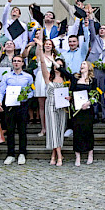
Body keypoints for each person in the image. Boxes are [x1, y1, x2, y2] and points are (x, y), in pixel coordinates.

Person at [34, 38, 68, 167]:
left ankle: (53, 154)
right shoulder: (48, 76)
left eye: (59, 65)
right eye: (55, 64)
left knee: (59, 130)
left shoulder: (66, 79)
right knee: (52, 129)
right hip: (51, 105)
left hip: (62, 106)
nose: (57, 67)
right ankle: (59, 156)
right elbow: (42, 62)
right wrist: (40, 47)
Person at [0, 54, 33, 165]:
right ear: (12, 63)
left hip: (22, 105)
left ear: (22, 63)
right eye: (15, 61)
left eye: (18, 61)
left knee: (22, 130)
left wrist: (25, 96)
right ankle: (10, 154)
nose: (16, 63)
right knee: (10, 130)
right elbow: (2, 91)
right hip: (10, 105)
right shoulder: (7, 76)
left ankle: (22, 153)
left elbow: (32, 91)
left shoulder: (28, 77)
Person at [67, 60, 97, 166]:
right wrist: (70, 98)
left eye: (84, 64)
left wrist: (89, 102)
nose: (81, 66)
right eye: (81, 64)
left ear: (89, 67)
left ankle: (90, 154)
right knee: (77, 132)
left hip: (87, 109)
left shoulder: (93, 80)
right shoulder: (75, 79)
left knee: (88, 131)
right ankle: (78, 156)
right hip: (77, 110)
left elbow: (96, 95)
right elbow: (71, 92)